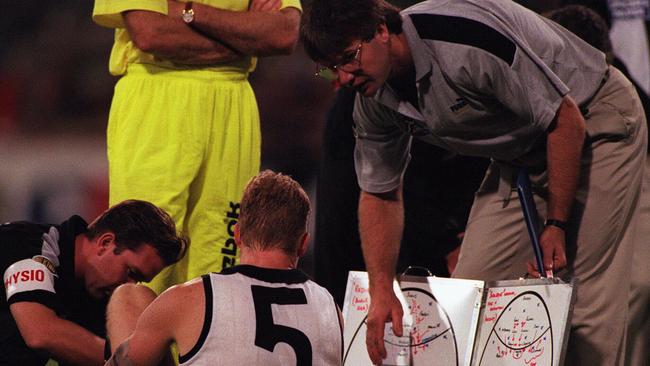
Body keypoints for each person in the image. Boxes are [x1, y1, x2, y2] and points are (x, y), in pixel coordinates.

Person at [301, 0, 648, 365]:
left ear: (382, 31)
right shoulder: (373, 97)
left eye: (347, 57)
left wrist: (556, 224)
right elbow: (379, 192)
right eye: (330, 70)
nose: (343, 78)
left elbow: (565, 120)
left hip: (594, 122)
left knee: (586, 310)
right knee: (472, 290)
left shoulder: (464, 43)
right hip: (524, 151)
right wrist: (381, 289)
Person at [92, 0, 302, 295]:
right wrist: (244, 36)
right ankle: (136, 341)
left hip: (233, 99)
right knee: (141, 254)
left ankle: (205, 340)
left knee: (221, 259)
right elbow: (150, 33)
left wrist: (187, 11)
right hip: (157, 93)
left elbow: (282, 33)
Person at [104, 170, 343, 366]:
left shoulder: (190, 298)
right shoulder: (333, 312)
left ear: (237, 235)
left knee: (130, 296)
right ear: (303, 244)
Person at [544, 5, 650, 366]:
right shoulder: (540, 86)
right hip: (564, 183)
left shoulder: (622, 96)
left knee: (632, 290)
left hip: (631, 177)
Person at [314, 87, 488, 306]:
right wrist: (448, 242)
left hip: (429, 230)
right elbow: (403, 181)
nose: (343, 76)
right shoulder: (375, 99)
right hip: (410, 248)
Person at [1, 199, 187, 366]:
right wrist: (130, 360)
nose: (127, 285)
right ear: (105, 243)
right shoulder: (27, 244)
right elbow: (41, 333)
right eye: (130, 272)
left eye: (138, 281)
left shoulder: (95, 294)